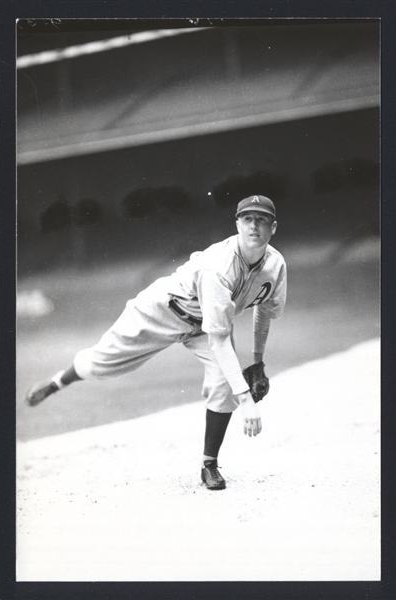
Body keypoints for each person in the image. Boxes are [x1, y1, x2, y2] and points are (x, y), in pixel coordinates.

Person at [25, 194, 287, 490]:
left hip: (204, 326)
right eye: (248, 219)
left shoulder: (275, 266)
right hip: (162, 310)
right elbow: (220, 340)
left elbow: (264, 311)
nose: (254, 226)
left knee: (224, 383)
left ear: (273, 227)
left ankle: (208, 464)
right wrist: (246, 400)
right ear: (237, 224)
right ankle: (58, 381)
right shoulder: (218, 268)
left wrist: (258, 361)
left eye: (262, 220)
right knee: (101, 364)